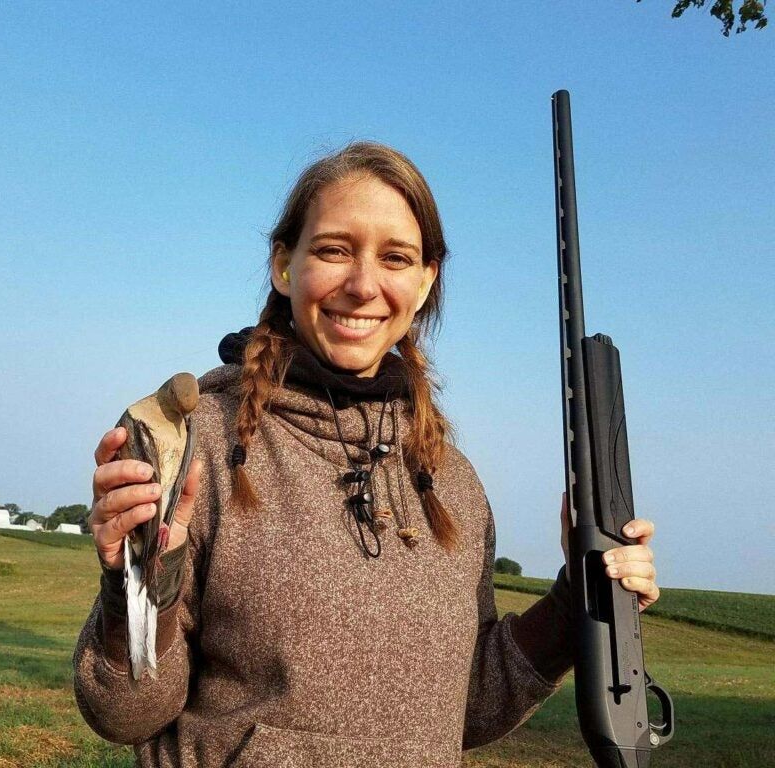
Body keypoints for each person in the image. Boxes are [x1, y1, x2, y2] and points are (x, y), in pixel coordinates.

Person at [73, 142, 661, 767]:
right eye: (333, 250)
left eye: (396, 258)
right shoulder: (204, 446)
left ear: (426, 280)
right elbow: (125, 712)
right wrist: (139, 588)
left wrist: (581, 600)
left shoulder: (450, 480)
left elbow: (464, 709)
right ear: (283, 265)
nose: (362, 285)